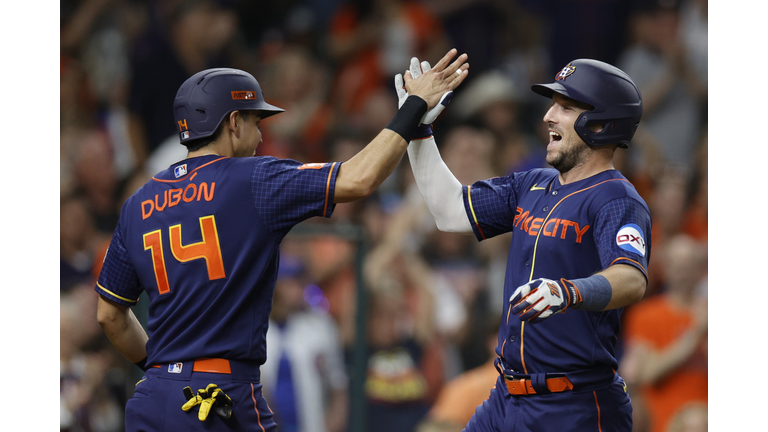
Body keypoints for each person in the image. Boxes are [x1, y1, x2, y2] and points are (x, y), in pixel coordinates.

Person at [94, 48, 469, 432]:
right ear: (234, 122)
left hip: (154, 398)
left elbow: (109, 315)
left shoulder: (137, 203)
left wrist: (163, 370)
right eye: (257, 122)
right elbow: (360, 178)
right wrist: (414, 108)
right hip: (218, 397)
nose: (261, 135)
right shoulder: (253, 179)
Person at [399, 58, 651, 431]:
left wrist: (567, 292)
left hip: (575, 404)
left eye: (565, 107)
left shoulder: (617, 198)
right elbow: (448, 212)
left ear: (600, 123)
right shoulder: (531, 183)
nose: (549, 116)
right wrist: (417, 127)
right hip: (506, 398)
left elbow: (632, 278)